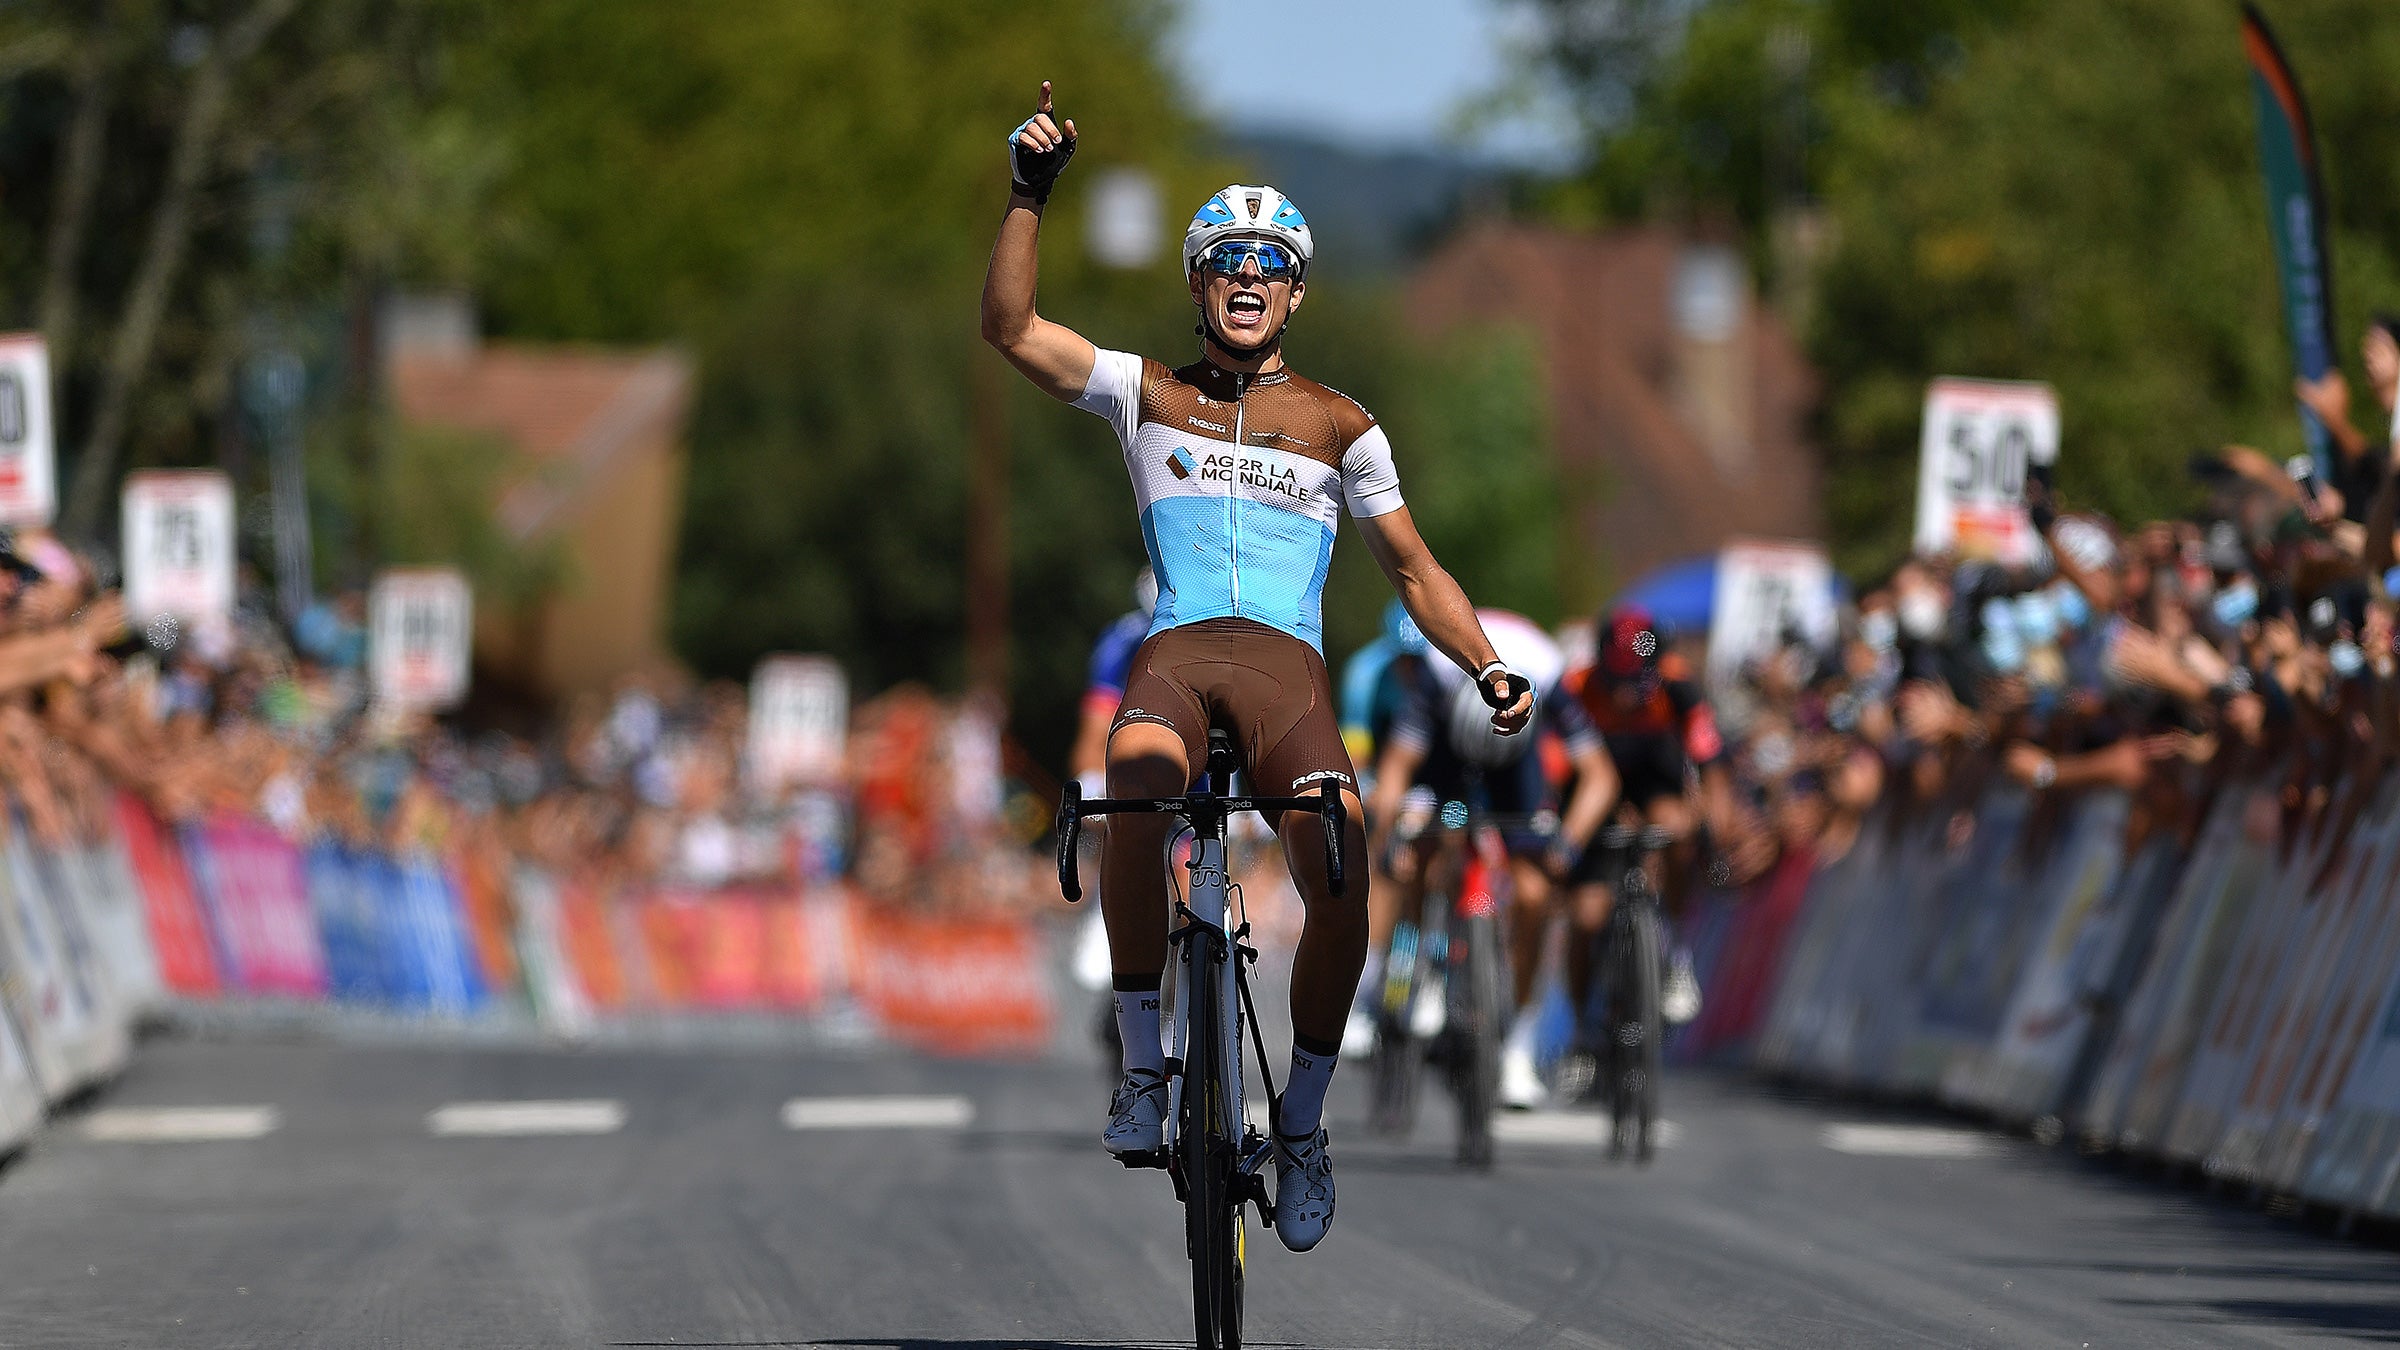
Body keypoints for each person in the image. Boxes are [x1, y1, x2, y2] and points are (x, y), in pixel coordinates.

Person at [982, 81, 1534, 1253]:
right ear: (1197, 282)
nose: (1248, 275)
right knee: (1135, 776)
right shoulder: (1149, 392)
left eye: (1272, 261)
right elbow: (1014, 333)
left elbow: (1414, 568)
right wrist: (1028, 198)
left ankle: (1304, 1122)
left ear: (1295, 288)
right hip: (1177, 655)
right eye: (1225, 257)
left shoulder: (1341, 424)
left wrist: (1485, 664)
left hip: (1287, 674)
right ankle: (1142, 1065)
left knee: (1342, 860)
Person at [1364, 608, 1617, 1109]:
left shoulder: (1548, 676)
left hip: (1514, 759)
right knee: (1428, 846)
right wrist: (1388, 843)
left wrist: (1566, 845)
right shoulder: (1435, 677)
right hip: (1448, 756)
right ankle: (1424, 960)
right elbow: (1394, 774)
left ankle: (1519, 1040)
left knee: (1534, 894)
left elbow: (1600, 777)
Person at [1563, 606, 1731, 1029]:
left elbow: (1712, 767)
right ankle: (1581, 1025)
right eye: (1615, 683)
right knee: (1586, 917)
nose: (1624, 698)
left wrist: (1713, 828)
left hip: (1655, 778)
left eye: (1635, 684)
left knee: (1676, 828)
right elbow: (1554, 771)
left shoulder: (1678, 685)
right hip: (1593, 784)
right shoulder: (1574, 687)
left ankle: (1675, 951)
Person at [1066, 569, 1159, 1062]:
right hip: (1132, 760)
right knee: (1116, 814)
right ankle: (1110, 908)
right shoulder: (1119, 643)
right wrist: (1088, 785)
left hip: (1200, 765)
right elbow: (1095, 726)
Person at [1335, 599, 1433, 1057]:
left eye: (1419, 660)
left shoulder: (1441, 675)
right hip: (1380, 774)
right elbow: (1358, 755)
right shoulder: (1366, 672)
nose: (1411, 669)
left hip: (1432, 778)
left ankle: (1436, 962)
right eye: (1404, 660)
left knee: (1442, 843)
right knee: (1382, 868)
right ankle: (1360, 991)